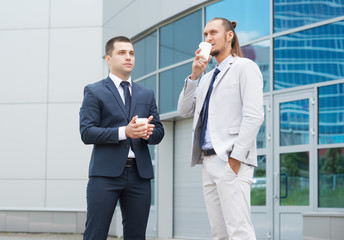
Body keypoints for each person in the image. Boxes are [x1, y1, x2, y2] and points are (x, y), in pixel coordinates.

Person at [177, 18, 264, 240]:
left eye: (213, 32)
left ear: (229, 36)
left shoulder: (245, 67)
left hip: (231, 160)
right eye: (205, 34)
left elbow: (254, 116)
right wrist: (195, 75)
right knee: (219, 233)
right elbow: (184, 110)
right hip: (208, 161)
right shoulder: (205, 79)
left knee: (239, 231)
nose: (208, 38)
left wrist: (236, 159)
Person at [80, 36, 164, 240]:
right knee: (95, 234)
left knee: (136, 236)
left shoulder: (146, 93)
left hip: (139, 176)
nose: (128, 57)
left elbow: (159, 132)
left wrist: (147, 133)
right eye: (122, 53)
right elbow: (86, 132)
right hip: (105, 176)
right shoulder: (94, 91)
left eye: (132, 53)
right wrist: (123, 132)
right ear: (108, 59)